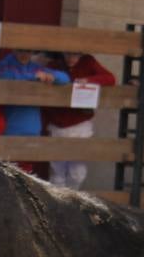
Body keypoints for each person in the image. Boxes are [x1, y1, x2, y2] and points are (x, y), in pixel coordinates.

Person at [44, 51, 115, 189]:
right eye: (67, 54)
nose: (70, 58)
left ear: (81, 54)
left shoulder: (88, 61)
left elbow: (110, 78)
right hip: (57, 124)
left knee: (78, 173)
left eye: (75, 55)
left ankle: (72, 202)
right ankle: (58, 205)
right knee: (57, 172)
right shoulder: (54, 64)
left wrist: (89, 80)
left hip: (80, 124)